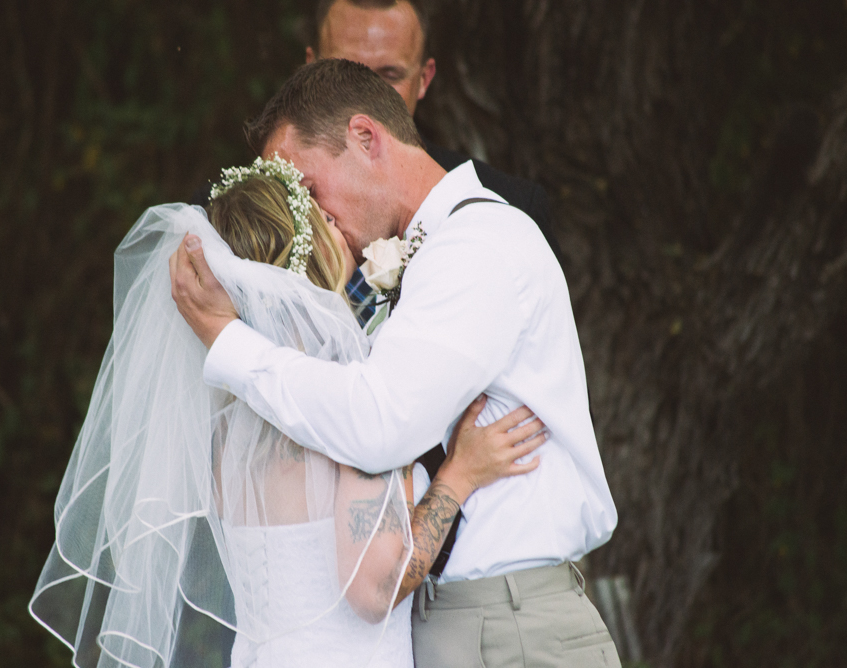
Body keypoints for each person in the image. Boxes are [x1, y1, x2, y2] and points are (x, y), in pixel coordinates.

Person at [169, 59, 620, 668]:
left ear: (364, 137)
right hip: (443, 622)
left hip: (507, 626)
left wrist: (227, 342)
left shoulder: (476, 247)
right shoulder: (421, 256)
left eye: (305, 185)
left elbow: (379, 425)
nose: (310, 216)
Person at [30, 155, 547, 668]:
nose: (340, 227)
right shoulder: (342, 401)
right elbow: (375, 590)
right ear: (306, 252)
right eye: (323, 220)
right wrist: (459, 477)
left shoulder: (229, 420)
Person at [305, 0, 562, 322]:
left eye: (389, 75)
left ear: (424, 78)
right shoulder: (275, 203)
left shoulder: (513, 204)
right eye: (343, 72)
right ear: (309, 69)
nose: (365, 98)